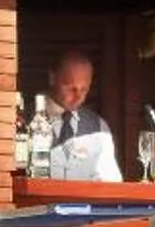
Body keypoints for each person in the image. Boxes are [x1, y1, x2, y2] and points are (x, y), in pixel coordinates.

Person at [40, 50, 121, 182]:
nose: (78, 97)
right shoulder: (24, 119)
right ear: (52, 77)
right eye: (71, 88)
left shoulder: (98, 127)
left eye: (84, 89)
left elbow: (110, 182)